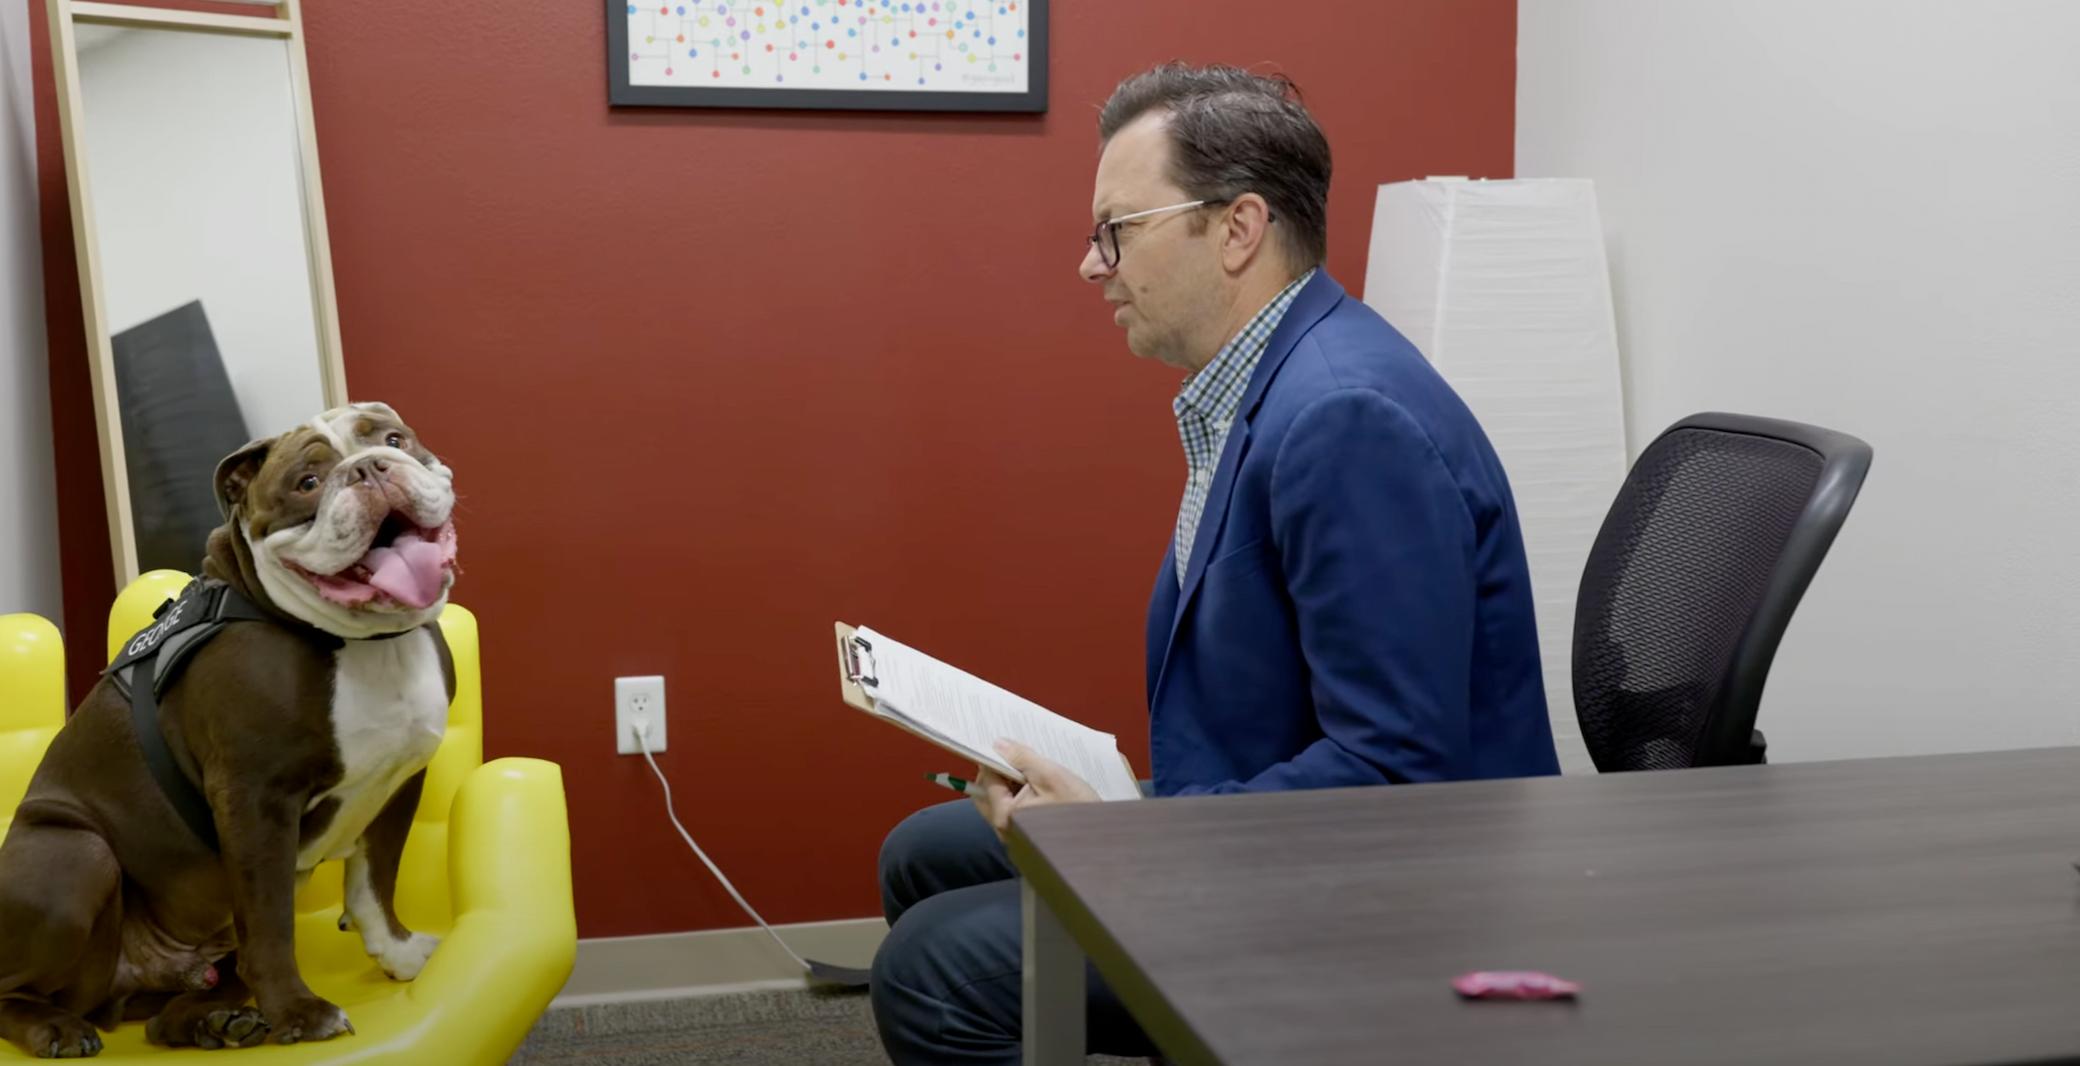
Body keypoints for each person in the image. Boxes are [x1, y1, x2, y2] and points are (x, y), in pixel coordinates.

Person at [870, 61, 1561, 1064]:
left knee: (931, 971)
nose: (1089, 265)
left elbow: (1395, 774)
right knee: (924, 853)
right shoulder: (1263, 387)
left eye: (1117, 231)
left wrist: (1130, 837)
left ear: (1236, 230)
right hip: (1277, 821)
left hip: (1397, 897)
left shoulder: (1343, 417)